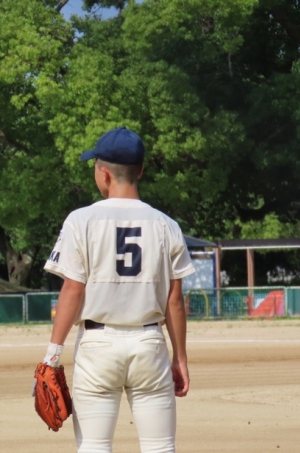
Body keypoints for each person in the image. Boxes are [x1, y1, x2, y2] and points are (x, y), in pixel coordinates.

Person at [41, 127, 195, 453]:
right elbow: (174, 301)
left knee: (94, 447)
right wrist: (179, 358)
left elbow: (72, 291)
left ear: (104, 173)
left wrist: (52, 356)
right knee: (160, 448)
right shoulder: (166, 225)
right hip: (149, 343)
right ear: (140, 171)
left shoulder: (81, 220)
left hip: (98, 345)